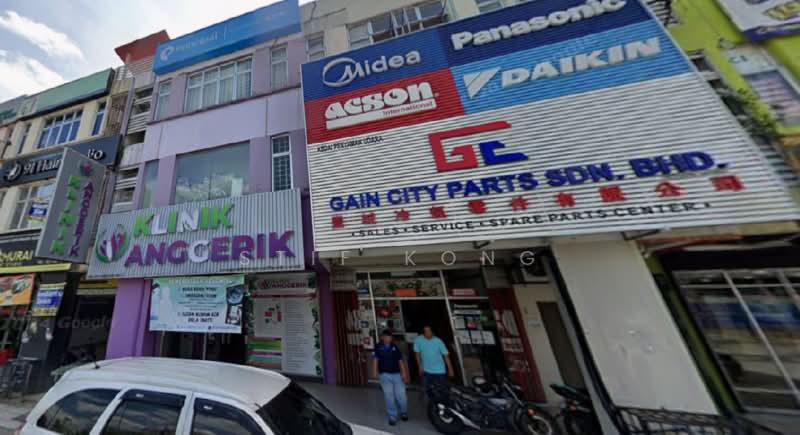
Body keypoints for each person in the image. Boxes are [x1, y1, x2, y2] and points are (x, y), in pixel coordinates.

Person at [373, 330, 409, 426]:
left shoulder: (394, 347)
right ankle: (392, 416)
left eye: (389, 337)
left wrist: (404, 373)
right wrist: (375, 371)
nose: (388, 338)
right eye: (386, 336)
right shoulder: (378, 347)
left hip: (397, 374)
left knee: (401, 395)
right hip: (384, 374)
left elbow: (400, 360)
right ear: (382, 337)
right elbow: (376, 359)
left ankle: (404, 412)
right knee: (389, 395)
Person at [414, 326, 455, 397]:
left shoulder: (438, 341)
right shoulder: (418, 340)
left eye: (429, 331)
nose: (427, 333)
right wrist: (420, 367)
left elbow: (446, 355)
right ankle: (433, 403)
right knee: (427, 390)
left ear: (432, 332)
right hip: (426, 370)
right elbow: (417, 354)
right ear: (423, 333)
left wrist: (450, 369)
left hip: (439, 370)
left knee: (443, 390)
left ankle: (444, 402)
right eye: (425, 331)